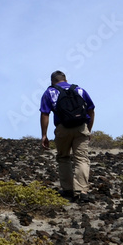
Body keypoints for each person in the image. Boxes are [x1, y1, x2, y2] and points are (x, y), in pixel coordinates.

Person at [40, 70, 95, 203]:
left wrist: (44, 135)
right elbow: (91, 110)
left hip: (62, 129)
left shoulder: (50, 92)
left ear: (52, 81)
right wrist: (88, 129)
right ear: (65, 79)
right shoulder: (79, 90)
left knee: (64, 158)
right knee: (81, 159)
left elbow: (45, 114)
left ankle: (68, 190)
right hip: (81, 127)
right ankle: (82, 191)